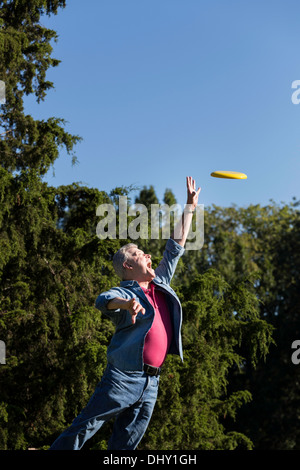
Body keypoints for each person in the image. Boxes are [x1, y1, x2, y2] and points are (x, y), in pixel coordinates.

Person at [50, 176, 201, 450]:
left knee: (125, 446)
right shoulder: (128, 293)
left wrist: (190, 207)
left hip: (151, 382)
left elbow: (175, 247)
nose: (149, 256)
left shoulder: (160, 284)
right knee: (86, 425)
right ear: (128, 266)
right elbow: (103, 300)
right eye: (141, 254)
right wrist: (125, 305)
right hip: (123, 377)